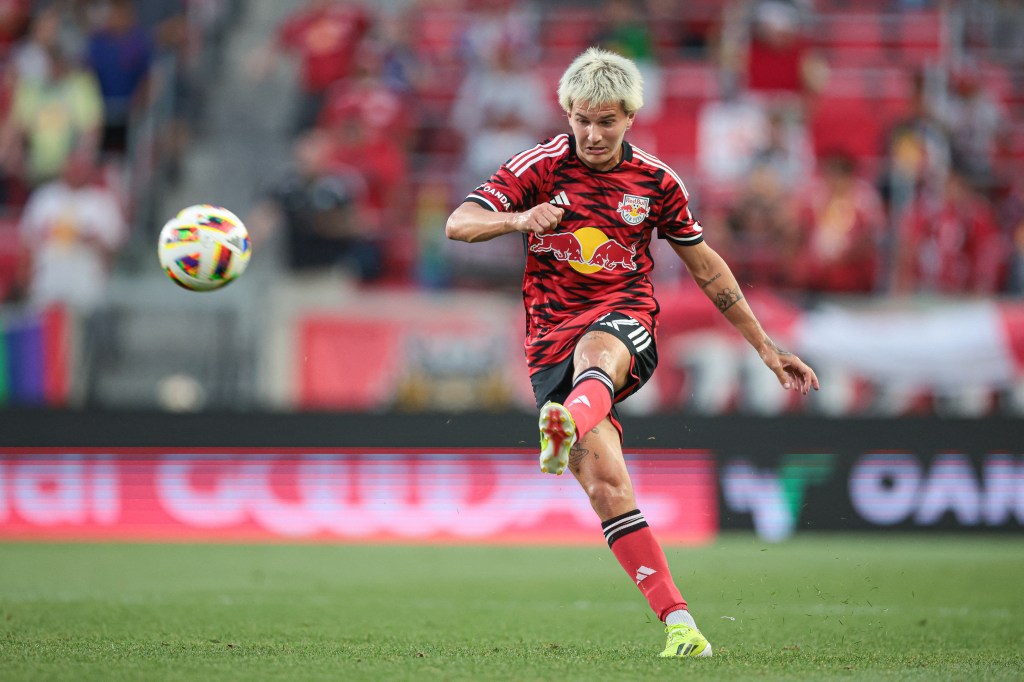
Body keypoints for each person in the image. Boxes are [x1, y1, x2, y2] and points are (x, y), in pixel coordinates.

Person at [445, 47, 819, 659]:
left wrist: (766, 347)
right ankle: (681, 626)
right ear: (567, 112)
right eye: (583, 120)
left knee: (602, 346)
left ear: (630, 119)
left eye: (607, 122)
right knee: (608, 490)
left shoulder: (656, 181)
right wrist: (521, 220)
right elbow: (459, 223)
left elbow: (707, 269)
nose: (593, 134)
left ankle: (567, 419)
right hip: (548, 341)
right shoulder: (537, 168)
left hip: (625, 323)